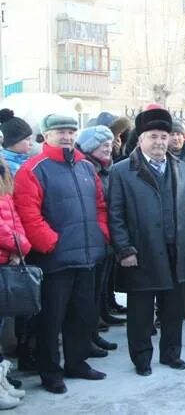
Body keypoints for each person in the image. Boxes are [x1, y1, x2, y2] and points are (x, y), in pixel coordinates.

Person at [14, 114, 110, 394]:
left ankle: (77, 363)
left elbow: (100, 205)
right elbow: (29, 214)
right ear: (46, 135)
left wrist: (100, 234)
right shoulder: (33, 169)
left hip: (88, 254)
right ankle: (50, 371)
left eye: (70, 131)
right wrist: (51, 244)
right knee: (50, 319)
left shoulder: (85, 167)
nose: (67, 137)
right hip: (54, 259)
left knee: (82, 314)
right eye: (60, 132)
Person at [109, 108, 185, 376]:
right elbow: (114, 216)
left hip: (177, 251)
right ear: (140, 139)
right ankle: (141, 358)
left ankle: (171, 354)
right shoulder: (122, 171)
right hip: (142, 252)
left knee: (173, 309)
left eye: (165, 136)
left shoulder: (180, 167)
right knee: (140, 313)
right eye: (153, 136)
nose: (160, 142)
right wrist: (124, 249)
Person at [75, 125, 121, 357]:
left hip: (106, 239)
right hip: (90, 240)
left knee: (98, 291)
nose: (109, 148)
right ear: (91, 146)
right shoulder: (84, 169)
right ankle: (86, 338)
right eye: (104, 145)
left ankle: (93, 335)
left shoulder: (106, 168)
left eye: (110, 144)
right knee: (86, 295)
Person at [0, 155, 30, 408]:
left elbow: (14, 217)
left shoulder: (4, 172)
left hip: (7, 257)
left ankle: (2, 380)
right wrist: (17, 245)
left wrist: (20, 246)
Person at [0, 109, 33, 176]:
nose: (31, 143)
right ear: (13, 141)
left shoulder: (24, 159)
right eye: (27, 139)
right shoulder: (8, 167)